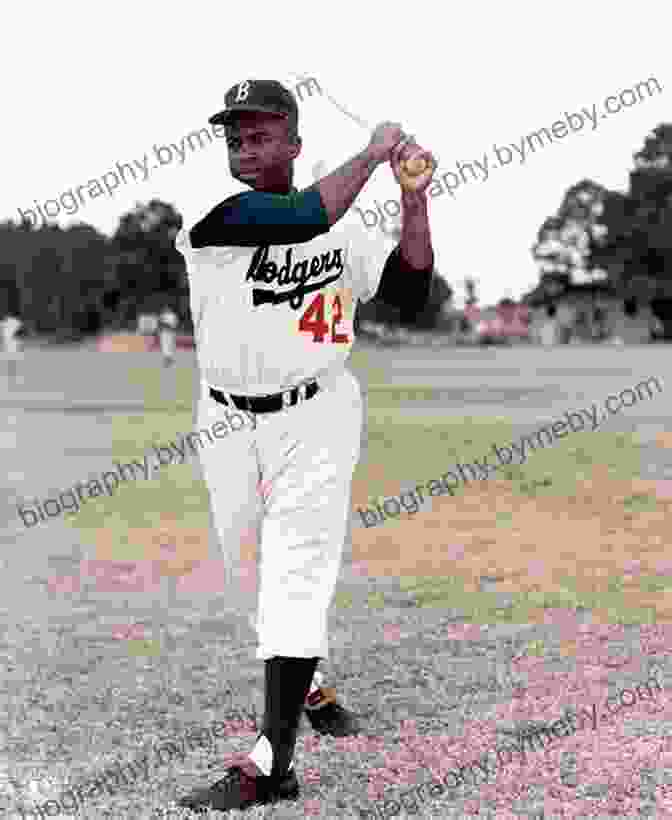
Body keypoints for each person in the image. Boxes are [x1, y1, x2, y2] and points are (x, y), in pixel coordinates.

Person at [173, 79, 436, 814]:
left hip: (317, 413)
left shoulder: (345, 228)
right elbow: (297, 217)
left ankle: (271, 761)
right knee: (248, 569)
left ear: (294, 141)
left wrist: (412, 194)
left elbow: (412, 295)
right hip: (226, 419)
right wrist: (376, 150)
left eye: (262, 131)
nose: (246, 144)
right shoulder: (218, 217)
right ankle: (308, 682)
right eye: (235, 134)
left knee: (295, 573)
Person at [1, 314, 23, 387]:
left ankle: (13, 377)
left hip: (12, 344)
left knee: (11, 361)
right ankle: (12, 377)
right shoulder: (13, 322)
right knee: (11, 361)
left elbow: (20, 332)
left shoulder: (12, 322)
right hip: (10, 344)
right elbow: (20, 332)